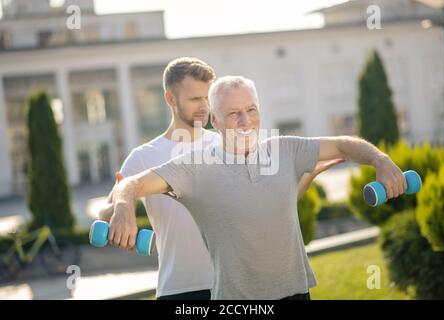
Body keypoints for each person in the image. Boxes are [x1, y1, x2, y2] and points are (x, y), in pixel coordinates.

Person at [103, 74, 354, 300]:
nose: (204, 105)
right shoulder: (144, 157)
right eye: (194, 98)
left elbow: (270, 203)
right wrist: (120, 216)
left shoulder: (230, 140)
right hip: (180, 288)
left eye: (207, 97)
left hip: (229, 286)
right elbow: (109, 213)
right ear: (170, 99)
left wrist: (305, 177)